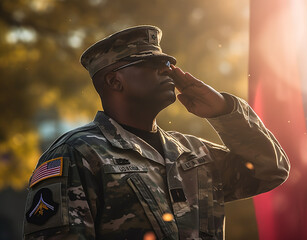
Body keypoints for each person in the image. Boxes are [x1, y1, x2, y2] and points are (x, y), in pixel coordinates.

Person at [23, 25, 290, 240]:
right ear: (114, 81)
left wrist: (224, 110)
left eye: (166, 63)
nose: (167, 70)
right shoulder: (77, 153)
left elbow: (270, 170)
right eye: (150, 64)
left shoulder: (193, 153)